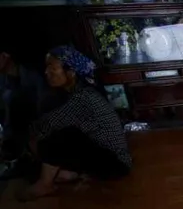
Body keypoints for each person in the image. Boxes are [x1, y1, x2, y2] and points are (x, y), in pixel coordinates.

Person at [19, 46, 131, 200]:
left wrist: (32, 142)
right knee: (42, 151)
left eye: (52, 68)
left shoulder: (83, 97)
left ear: (71, 73)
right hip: (103, 156)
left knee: (63, 136)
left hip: (115, 164)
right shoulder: (75, 93)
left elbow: (47, 124)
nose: (47, 72)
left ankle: (45, 184)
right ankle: (68, 174)